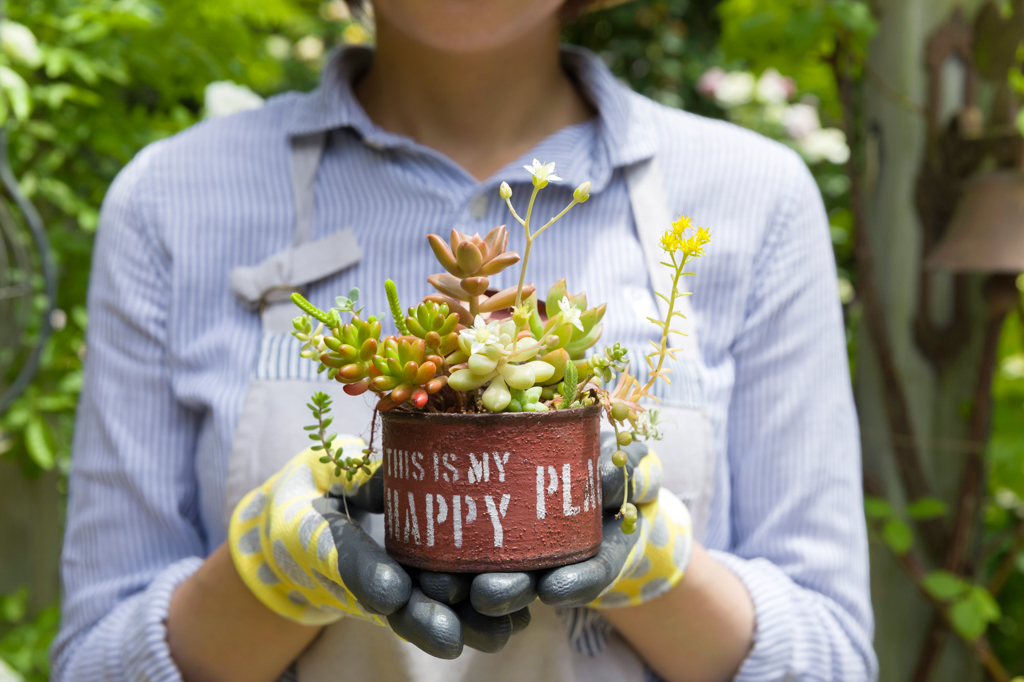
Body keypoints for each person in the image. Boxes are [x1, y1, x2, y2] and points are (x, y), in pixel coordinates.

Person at [51, 1, 877, 681]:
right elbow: (92, 661)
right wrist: (270, 570)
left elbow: (834, 658)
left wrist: (657, 563)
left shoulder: (755, 198)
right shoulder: (172, 201)